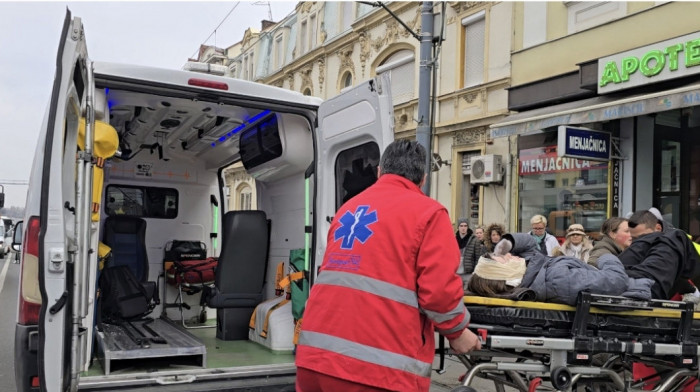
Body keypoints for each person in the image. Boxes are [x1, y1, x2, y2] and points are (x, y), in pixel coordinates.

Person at [295, 140, 481, 392]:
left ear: (380, 171)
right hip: (375, 370)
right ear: (423, 179)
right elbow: (438, 292)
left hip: (315, 360)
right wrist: (458, 332)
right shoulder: (428, 213)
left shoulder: (348, 210)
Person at [467, 233, 654, 305]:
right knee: (669, 241)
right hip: (635, 287)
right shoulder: (557, 279)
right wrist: (606, 255)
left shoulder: (531, 272)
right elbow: (616, 282)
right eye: (502, 258)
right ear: (508, 277)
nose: (509, 254)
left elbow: (530, 244)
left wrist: (508, 243)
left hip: (623, 279)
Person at [619, 210, 700, 300]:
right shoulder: (673, 242)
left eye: (645, 237)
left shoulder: (671, 245)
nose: (639, 243)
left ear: (658, 228)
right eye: (634, 239)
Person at [459, 226, 486, 291]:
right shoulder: (472, 243)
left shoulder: (486, 245)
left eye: (480, 233)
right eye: (477, 233)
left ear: (484, 234)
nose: (479, 235)